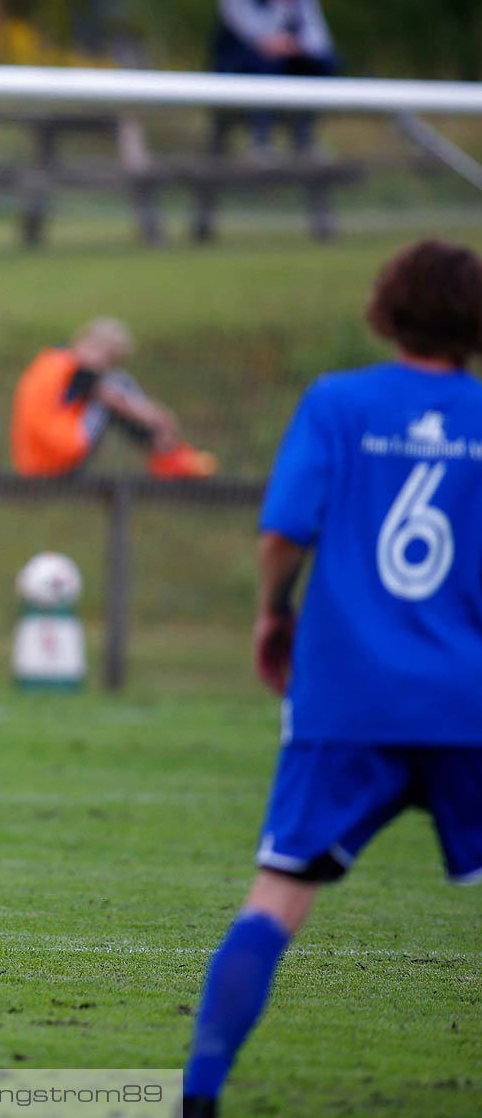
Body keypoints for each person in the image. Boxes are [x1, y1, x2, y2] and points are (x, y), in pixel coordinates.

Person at [179, 239, 482, 1118]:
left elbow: (284, 529)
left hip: (348, 694)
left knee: (277, 897)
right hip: (468, 698)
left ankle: (198, 1098)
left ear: (386, 308)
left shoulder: (339, 404)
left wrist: (273, 611)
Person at [10, 317, 217, 479]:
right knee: (118, 383)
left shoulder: (52, 360)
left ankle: (166, 453)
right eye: (110, 358)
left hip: (32, 461)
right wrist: (160, 418)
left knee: (113, 388)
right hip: (57, 456)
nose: (105, 365)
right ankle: (167, 454)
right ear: (97, 345)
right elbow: (115, 399)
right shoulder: (80, 369)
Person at [210, 0, 339, 158]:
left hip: (283, 59)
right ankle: (260, 141)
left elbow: (319, 37)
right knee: (265, 61)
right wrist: (277, 14)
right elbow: (243, 25)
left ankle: (303, 137)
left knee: (325, 62)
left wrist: (298, 45)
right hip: (238, 60)